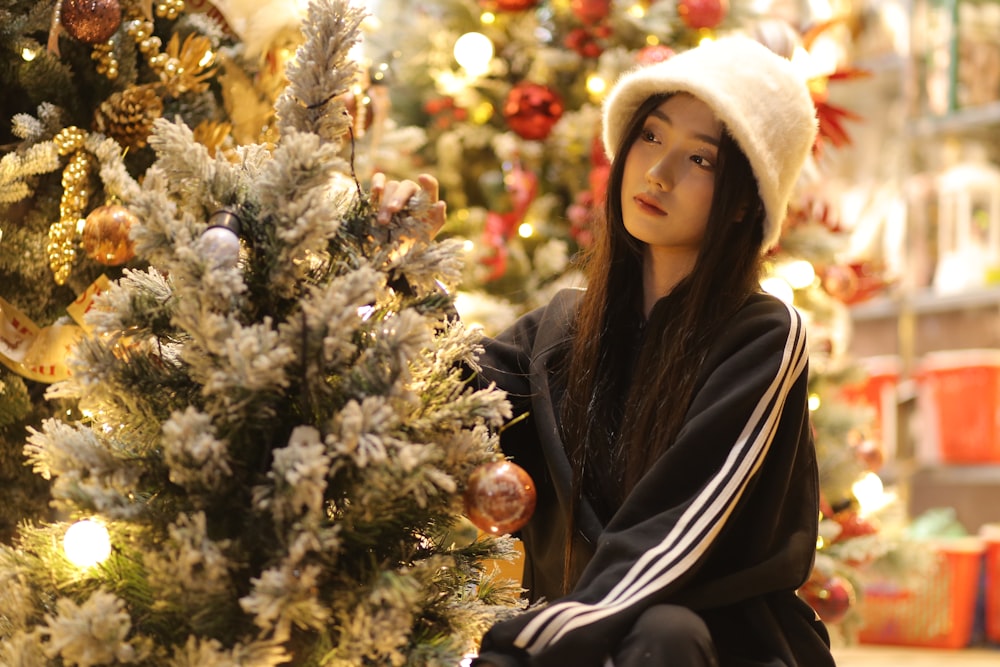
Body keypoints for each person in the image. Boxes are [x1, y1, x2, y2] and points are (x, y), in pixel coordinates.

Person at [374, 35, 834, 667]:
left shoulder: (763, 336)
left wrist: (523, 647)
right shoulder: (563, 330)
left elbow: (672, 535)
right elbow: (456, 405)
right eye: (651, 136)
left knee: (664, 630)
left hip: (710, 650)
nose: (658, 173)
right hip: (578, 641)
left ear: (743, 205)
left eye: (702, 160)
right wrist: (412, 269)